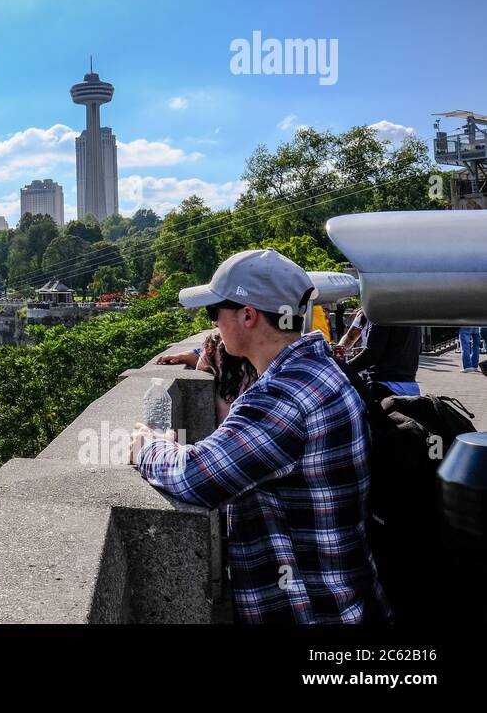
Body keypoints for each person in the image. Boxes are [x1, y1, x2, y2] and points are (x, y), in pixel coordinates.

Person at [130, 248, 386, 624]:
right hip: (348, 598)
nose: (213, 323)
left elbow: (194, 477)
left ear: (248, 315)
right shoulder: (319, 370)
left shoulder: (282, 397)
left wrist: (148, 447)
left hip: (312, 611)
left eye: (213, 312)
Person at [156, 330, 258, 423]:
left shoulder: (230, 387)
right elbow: (201, 357)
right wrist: (183, 356)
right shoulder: (256, 370)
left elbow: (203, 362)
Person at [343, 307, 421, 399]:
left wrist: (342, 369)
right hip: (410, 386)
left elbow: (371, 355)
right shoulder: (410, 311)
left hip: (386, 388)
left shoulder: (381, 312)